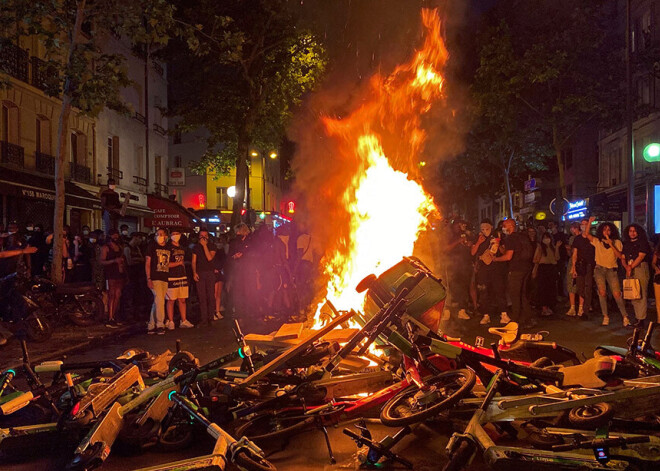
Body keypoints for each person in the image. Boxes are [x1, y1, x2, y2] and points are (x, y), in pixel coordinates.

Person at [584, 217, 630, 326]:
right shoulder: (597, 241)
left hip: (611, 270)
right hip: (599, 269)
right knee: (602, 292)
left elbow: (619, 256)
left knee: (617, 294)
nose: (606, 232)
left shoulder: (617, 242)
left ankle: (625, 316)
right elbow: (587, 235)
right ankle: (605, 316)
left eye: (609, 230)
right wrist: (589, 223)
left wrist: (611, 244)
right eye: (604, 230)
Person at [494, 219, 534, 327]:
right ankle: (528, 319)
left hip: (516, 269)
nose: (503, 228)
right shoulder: (523, 237)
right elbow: (508, 251)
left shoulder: (511, 238)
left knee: (515, 295)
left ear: (510, 226)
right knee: (523, 294)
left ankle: (516, 319)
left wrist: (496, 259)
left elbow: (508, 256)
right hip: (526, 268)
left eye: (504, 226)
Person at [472, 219, 501, 325]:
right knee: (483, 291)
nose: (485, 231)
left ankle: (503, 313)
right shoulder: (478, 238)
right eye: (482, 229)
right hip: (483, 268)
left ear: (491, 227)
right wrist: (479, 242)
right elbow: (473, 252)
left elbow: (501, 250)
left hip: (495, 267)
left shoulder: (496, 237)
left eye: (487, 228)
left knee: (498, 289)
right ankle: (486, 315)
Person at [621, 224, 651, 327]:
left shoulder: (643, 243)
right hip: (629, 269)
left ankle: (641, 319)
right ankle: (638, 317)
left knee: (641, 293)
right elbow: (623, 257)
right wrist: (626, 267)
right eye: (630, 231)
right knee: (632, 293)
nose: (632, 233)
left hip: (640, 268)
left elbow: (641, 256)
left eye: (634, 231)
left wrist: (631, 267)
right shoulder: (626, 243)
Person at [166, 230, 193, 329]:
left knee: (182, 300)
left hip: (182, 276)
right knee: (171, 300)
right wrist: (178, 263)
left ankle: (184, 320)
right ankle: (171, 321)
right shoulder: (168, 248)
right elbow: (166, 264)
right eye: (173, 234)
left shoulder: (182, 248)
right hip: (172, 276)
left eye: (177, 234)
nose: (175, 236)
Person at [100, 229, 126, 328]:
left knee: (118, 295)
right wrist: (114, 261)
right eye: (113, 235)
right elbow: (102, 261)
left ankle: (114, 316)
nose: (116, 237)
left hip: (120, 273)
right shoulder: (106, 248)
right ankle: (110, 318)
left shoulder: (119, 247)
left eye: (117, 235)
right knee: (111, 295)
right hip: (110, 273)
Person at [145, 229, 169, 334]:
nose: (159, 236)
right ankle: (160, 324)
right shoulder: (152, 247)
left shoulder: (168, 248)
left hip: (164, 277)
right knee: (160, 300)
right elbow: (147, 263)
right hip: (155, 278)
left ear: (166, 236)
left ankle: (151, 324)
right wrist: (148, 278)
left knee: (158, 301)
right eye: (157, 234)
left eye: (161, 234)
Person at [192, 229, 217, 326]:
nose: (203, 238)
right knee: (202, 297)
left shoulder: (212, 246)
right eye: (201, 236)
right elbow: (194, 261)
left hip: (210, 273)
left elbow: (209, 258)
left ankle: (211, 317)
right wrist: (194, 273)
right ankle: (203, 319)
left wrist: (205, 246)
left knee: (210, 296)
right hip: (200, 273)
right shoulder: (196, 247)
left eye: (205, 236)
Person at [532, 232, 560, 316]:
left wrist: (557, 247)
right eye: (544, 238)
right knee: (543, 288)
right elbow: (535, 260)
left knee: (551, 288)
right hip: (543, 268)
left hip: (551, 268)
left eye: (548, 237)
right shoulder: (540, 247)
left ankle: (549, 306)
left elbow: (557, 258)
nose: (546, 239)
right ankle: (544, 308)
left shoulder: (553, 247)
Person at [565, 222, 581, 316]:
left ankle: (577, 307)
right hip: (575, 262)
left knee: (577, 284)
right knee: (572, 284)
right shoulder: (572, 238)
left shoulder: (576, 238)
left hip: (579, 262)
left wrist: (569, 249)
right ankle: (575, 307)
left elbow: (572, 252)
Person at [214, 234, 228, 319]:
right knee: (214, 294)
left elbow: (224, 261)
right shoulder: (213, 251)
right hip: (215, 273)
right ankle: (214, 311)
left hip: (220, 272)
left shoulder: (222, 251)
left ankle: (217, 311)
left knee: (218, 294)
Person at [651, 242, 660, 324]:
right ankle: (659, 319)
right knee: (658, 300)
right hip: (658, 277)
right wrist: (656, 268)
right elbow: (653, 263)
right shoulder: (657, 251)